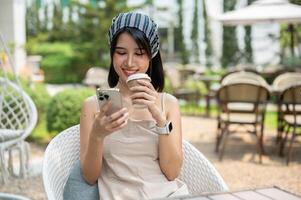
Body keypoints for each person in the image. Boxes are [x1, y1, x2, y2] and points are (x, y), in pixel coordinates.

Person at [63, 12, 189, 200]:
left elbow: (172, 173)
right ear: (112, 54)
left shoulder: (168, 104)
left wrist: (159, 118)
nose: (129, 62)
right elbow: (89, 177)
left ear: (151, 56)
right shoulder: (94, 105)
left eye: (139, 53)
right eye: (121, 52)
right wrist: (97, 135)